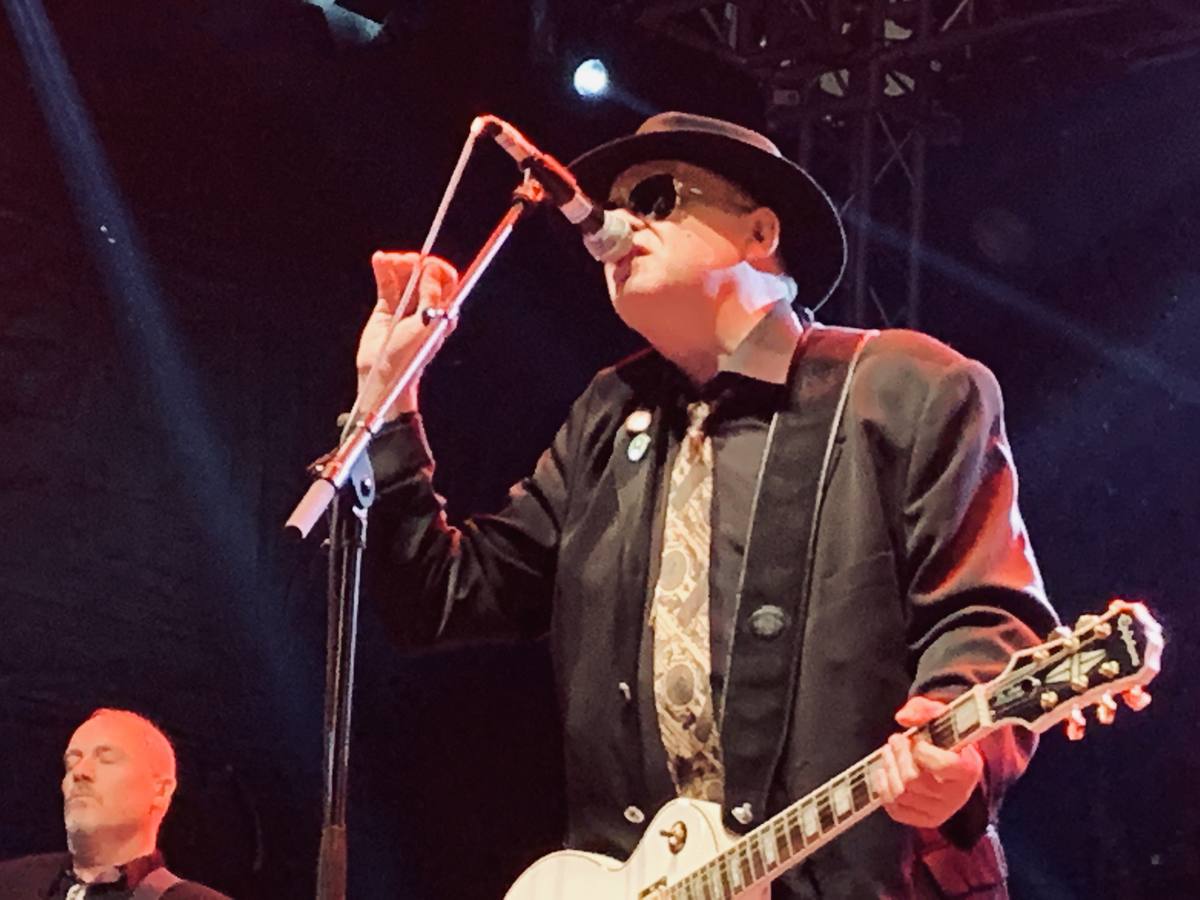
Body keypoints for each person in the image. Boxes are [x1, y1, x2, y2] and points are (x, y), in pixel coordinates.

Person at [355, 111, 1058, 898]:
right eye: (610, 207)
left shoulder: (904, 387)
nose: (616, 226)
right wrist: (388, 400)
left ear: (761, 233)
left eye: (654, 198)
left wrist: (960, 751)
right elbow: (439, 599)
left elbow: (988, 613)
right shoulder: (608, 415)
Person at [0, 708, 230, 900]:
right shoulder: (10, 884)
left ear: (160, 790)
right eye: (72, 762)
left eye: (106, 759)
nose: (79, 772)